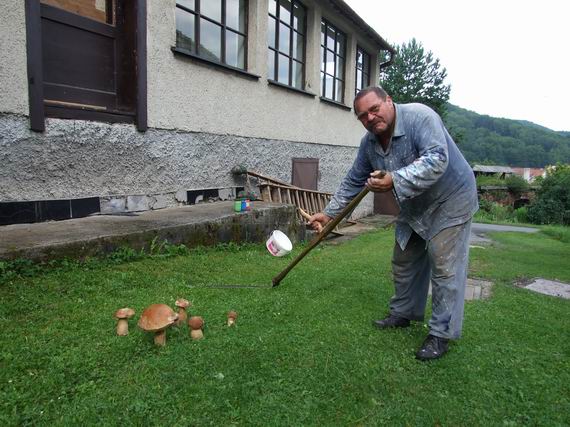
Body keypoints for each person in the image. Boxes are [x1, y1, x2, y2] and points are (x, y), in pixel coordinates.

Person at [309, 86, 478, 361]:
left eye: (375, 109)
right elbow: (354, 180)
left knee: (445, 266)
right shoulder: (369, 144)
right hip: (415, 205)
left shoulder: (420, 117)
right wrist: (328, 214)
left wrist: (394, 180)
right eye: (363, 116)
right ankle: (403, 313)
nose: (371, 118)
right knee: (404, 258)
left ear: (389, 100)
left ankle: (440, 334)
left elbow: (437, 159)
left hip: (451, 199)